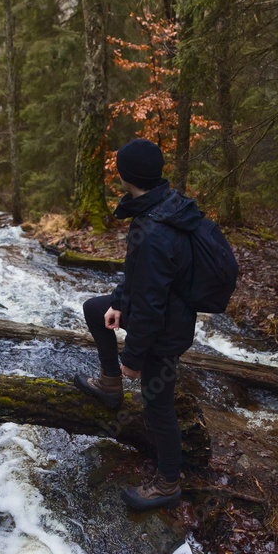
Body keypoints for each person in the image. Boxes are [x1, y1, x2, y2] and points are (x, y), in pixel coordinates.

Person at [74, 138, 203, 510]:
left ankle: (168, 483)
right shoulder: (165, 204)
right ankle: (109, 385)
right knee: (95, 308)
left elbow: (149, 305)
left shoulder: (156, 228)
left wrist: (132, 358)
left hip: (167, 327)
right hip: (166, 314)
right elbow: (141, 278)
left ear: (125, 176)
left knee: (156, 405)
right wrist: (116, 302)